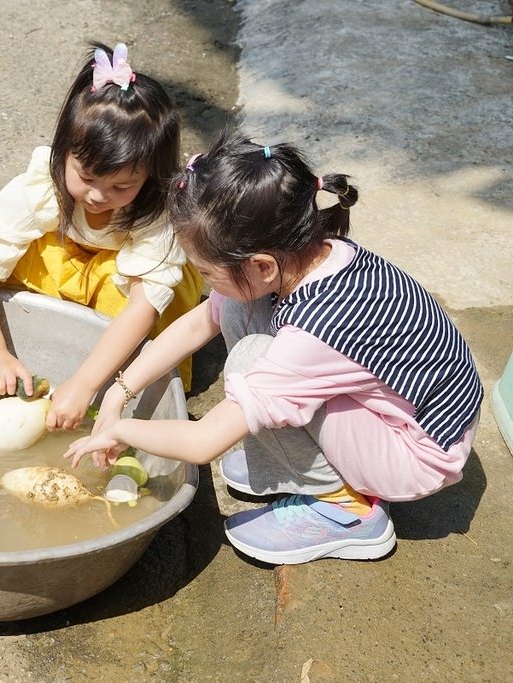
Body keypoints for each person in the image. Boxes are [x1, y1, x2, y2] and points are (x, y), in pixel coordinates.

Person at [64, 133, 483, 565]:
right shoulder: (309, 253)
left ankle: (350, 510)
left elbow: (203, 443)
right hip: (412, 412)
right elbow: (197, 325)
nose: (205, 282)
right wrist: (118, 393)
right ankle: (291, 465)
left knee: (249, 363)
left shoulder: (318, 331)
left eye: (207, 271)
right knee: (232, 313)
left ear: (261, 264)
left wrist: (120, 431)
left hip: (417, 454)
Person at [0, 42, 204, 431]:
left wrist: (87, 384)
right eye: (86, 177)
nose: (98, 196)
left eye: (122, 186)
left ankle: (100, 375)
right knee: (22, 259)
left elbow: (143, 306)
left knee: (140, 306)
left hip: (125, 278)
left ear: (152, 175)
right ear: (64, 152)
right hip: (63, 262)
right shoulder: (41, 189)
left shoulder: (157, 211)